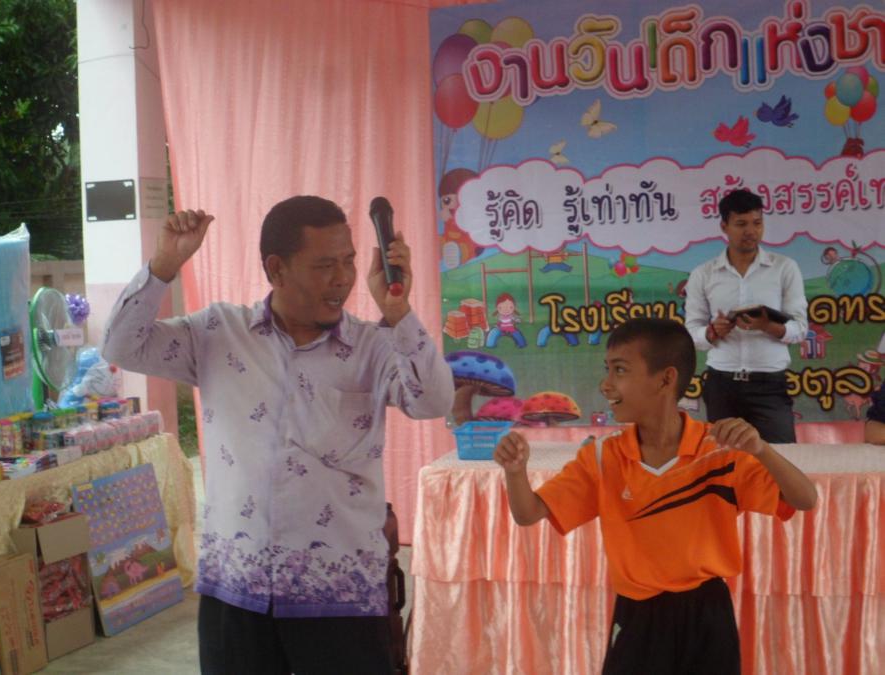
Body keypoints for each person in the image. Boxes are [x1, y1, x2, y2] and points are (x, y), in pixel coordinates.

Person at [102, 197, 454, 674]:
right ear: (276, 269)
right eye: (325, 265)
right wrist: (164, 266)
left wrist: (399, 313)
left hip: (340, 597)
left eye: (349, 261)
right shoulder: (217, 333)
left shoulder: (374, 346)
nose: (343, 278)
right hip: (237, 591)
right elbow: (121, 346)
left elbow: (433, 401)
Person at [493, 318, 817, 674]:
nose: (606, 384)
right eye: (607, 369)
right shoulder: (602, 457)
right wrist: (515, 471)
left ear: (665, 379)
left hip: (708, 615)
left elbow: (805, 499)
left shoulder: (720, 451)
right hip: (638, 615)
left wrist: (761, 449)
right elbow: (528, 513)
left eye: (620, 370)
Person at [685, 189, 808, 443]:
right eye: (741, 224)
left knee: (781, 456)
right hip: (722, 384)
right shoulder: (703, 274)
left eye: (757, 223)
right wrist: (712, 332)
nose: (751, 231)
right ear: (724, 226)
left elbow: (800, 329)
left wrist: (767, 325)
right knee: (725, 459)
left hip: (770, 384)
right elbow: (692, 332)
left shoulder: (784, 268)